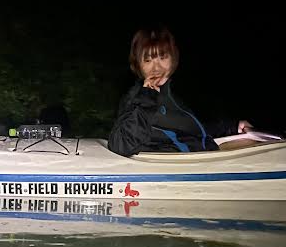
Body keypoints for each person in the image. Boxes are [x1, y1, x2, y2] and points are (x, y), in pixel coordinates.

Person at [107, 26, 251, 157]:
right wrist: (147, 98)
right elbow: (120, 145)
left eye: (162, 57)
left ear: (173, 59)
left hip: (204, 161)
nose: (156, 68)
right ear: (138, 65)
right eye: (148, 60)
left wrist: (233, 127)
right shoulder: (135, 98)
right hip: (177, 171)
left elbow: (193, 129)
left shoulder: (177, 92)